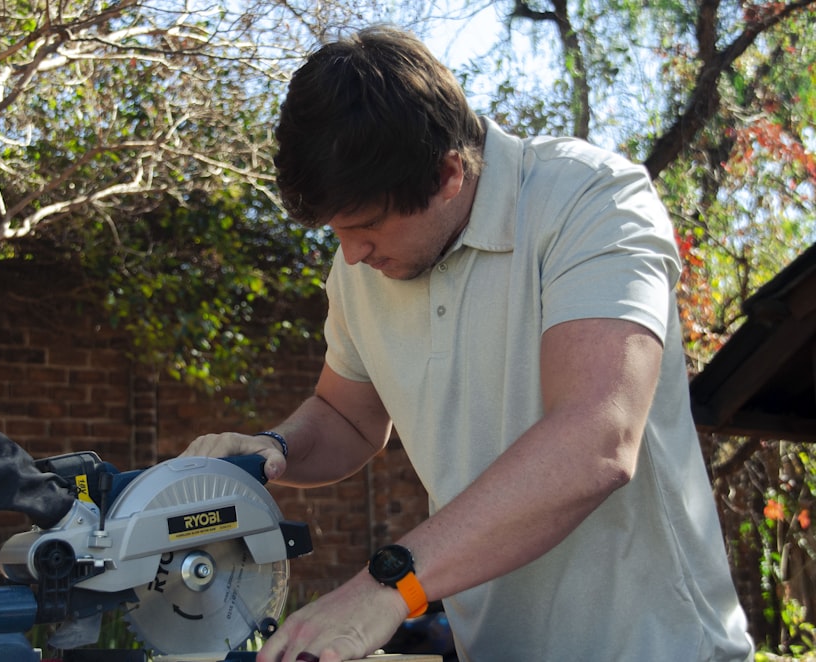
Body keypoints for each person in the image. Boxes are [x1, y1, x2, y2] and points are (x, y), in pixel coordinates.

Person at [182, 25, 753, 661]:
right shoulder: (358, 270)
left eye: (366, 227)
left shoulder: (592, 202)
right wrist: (274, 449)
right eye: (336, 232)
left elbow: (597, 438)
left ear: (448, 173)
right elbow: (346, 415)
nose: (350, 254)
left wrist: (388, 585)